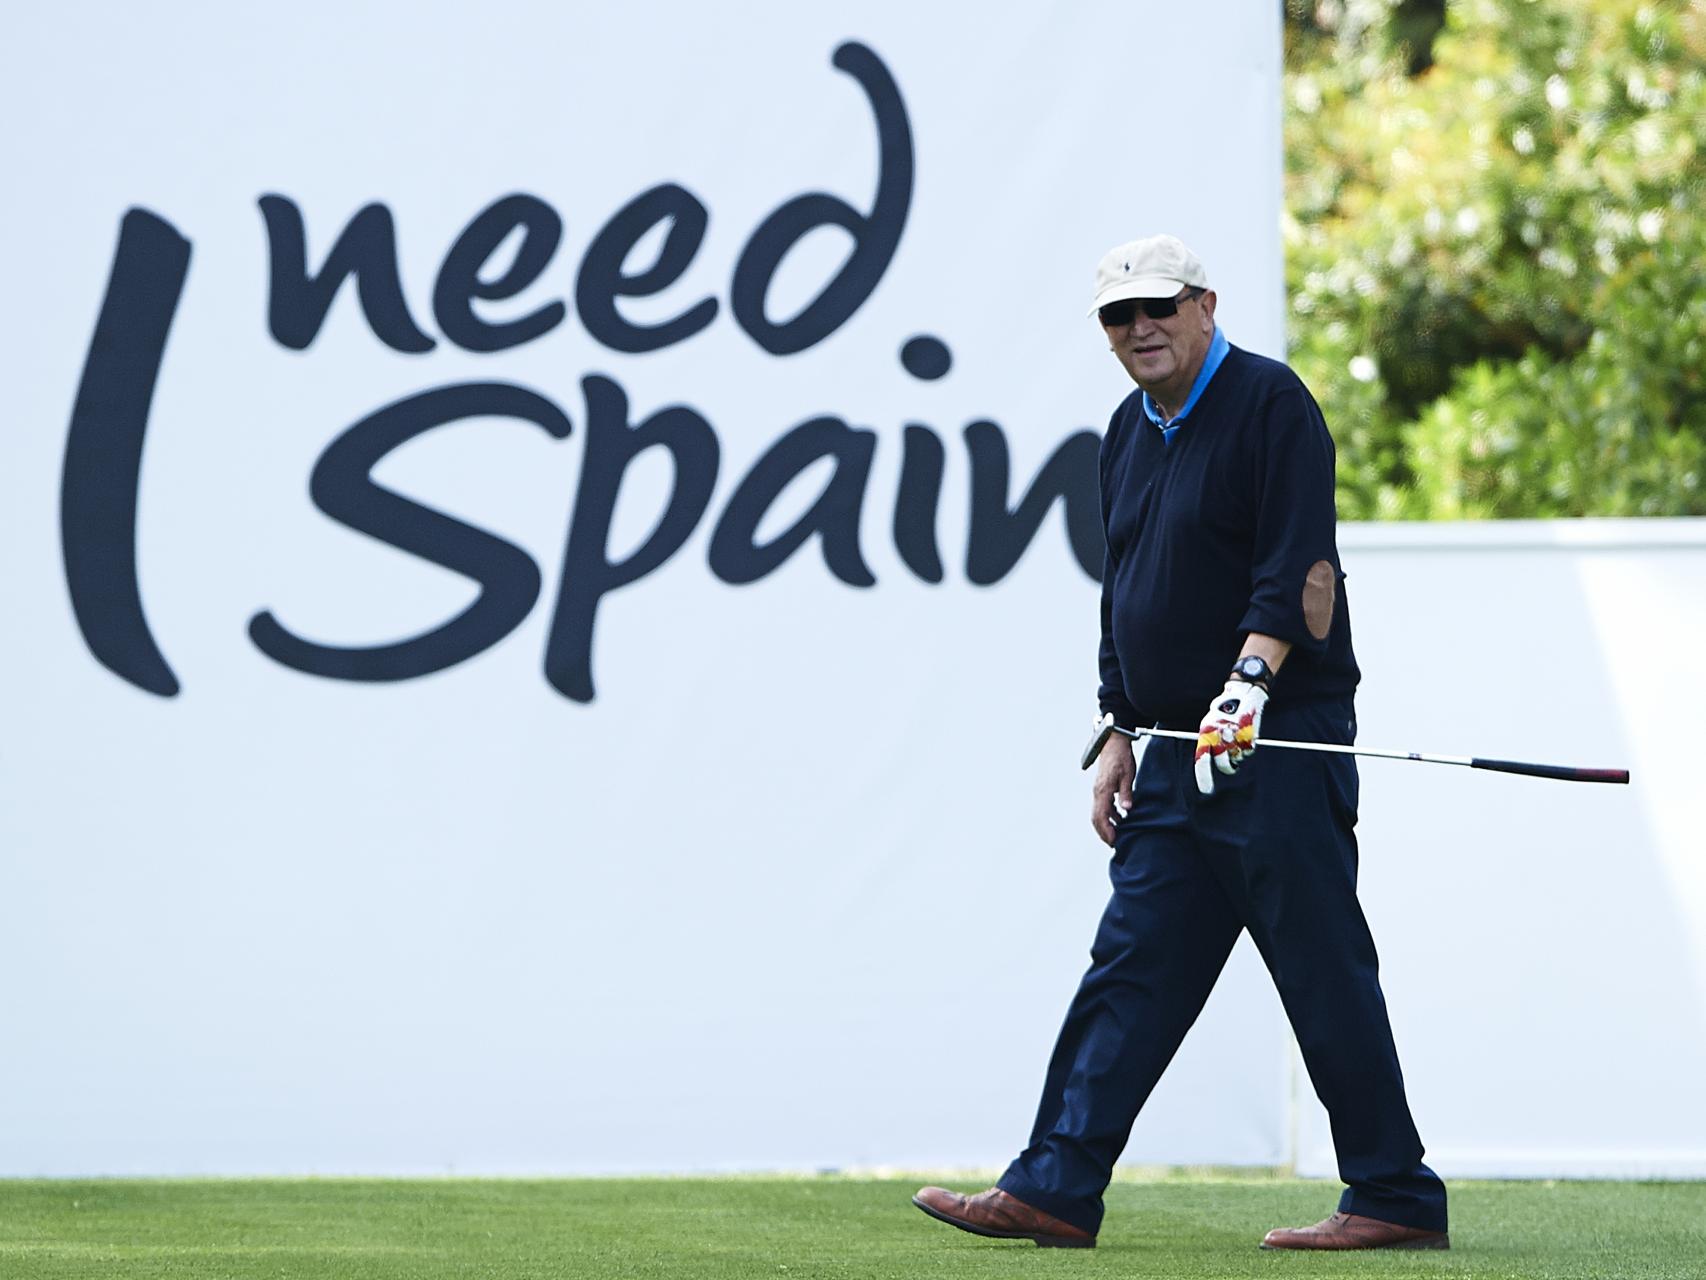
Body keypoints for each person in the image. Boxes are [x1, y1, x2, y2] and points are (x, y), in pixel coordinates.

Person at [912, 234, 1449, 1252]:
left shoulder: (1268, 403)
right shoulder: (1127, 427)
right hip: (1169, 749)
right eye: (1118, 315)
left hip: (1274, 737)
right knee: (1129, 967)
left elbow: (1300, 566)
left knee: (1320, 966)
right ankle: (1056, 1184)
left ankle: (1392, 1192)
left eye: (1157, 306)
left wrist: (1248, 682)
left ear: (1204, 304)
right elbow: (1124, 589)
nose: (1138, 327)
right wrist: (1118, 723)